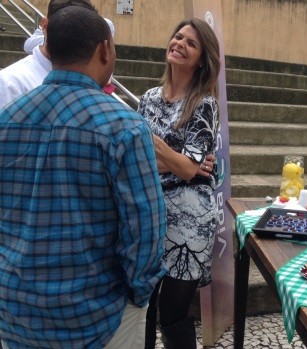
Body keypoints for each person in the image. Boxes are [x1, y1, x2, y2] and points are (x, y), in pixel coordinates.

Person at [0, 6, 167, 348]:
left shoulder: (7, 118)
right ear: (104, 50)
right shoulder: (125, 125)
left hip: (16, 313)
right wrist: (139, 292)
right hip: (98, 318)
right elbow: (145, 228)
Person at [138, 18, 221, 348]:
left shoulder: (204, 104)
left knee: (171, 310)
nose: (180, 44)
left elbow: (188, 171)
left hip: (191, 219)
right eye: (178, 37)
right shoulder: (148, 98)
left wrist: (156, 145)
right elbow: (144, 159)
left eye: (191, 43)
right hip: (151, 211)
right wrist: (181, 159)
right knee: (143, 303)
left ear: (202, 58)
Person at [0, 0, 98, 109]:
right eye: (65, 27)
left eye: (81, 31)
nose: (72, 36)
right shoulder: (10, 82)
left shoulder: (91, 82)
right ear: (44, 26)